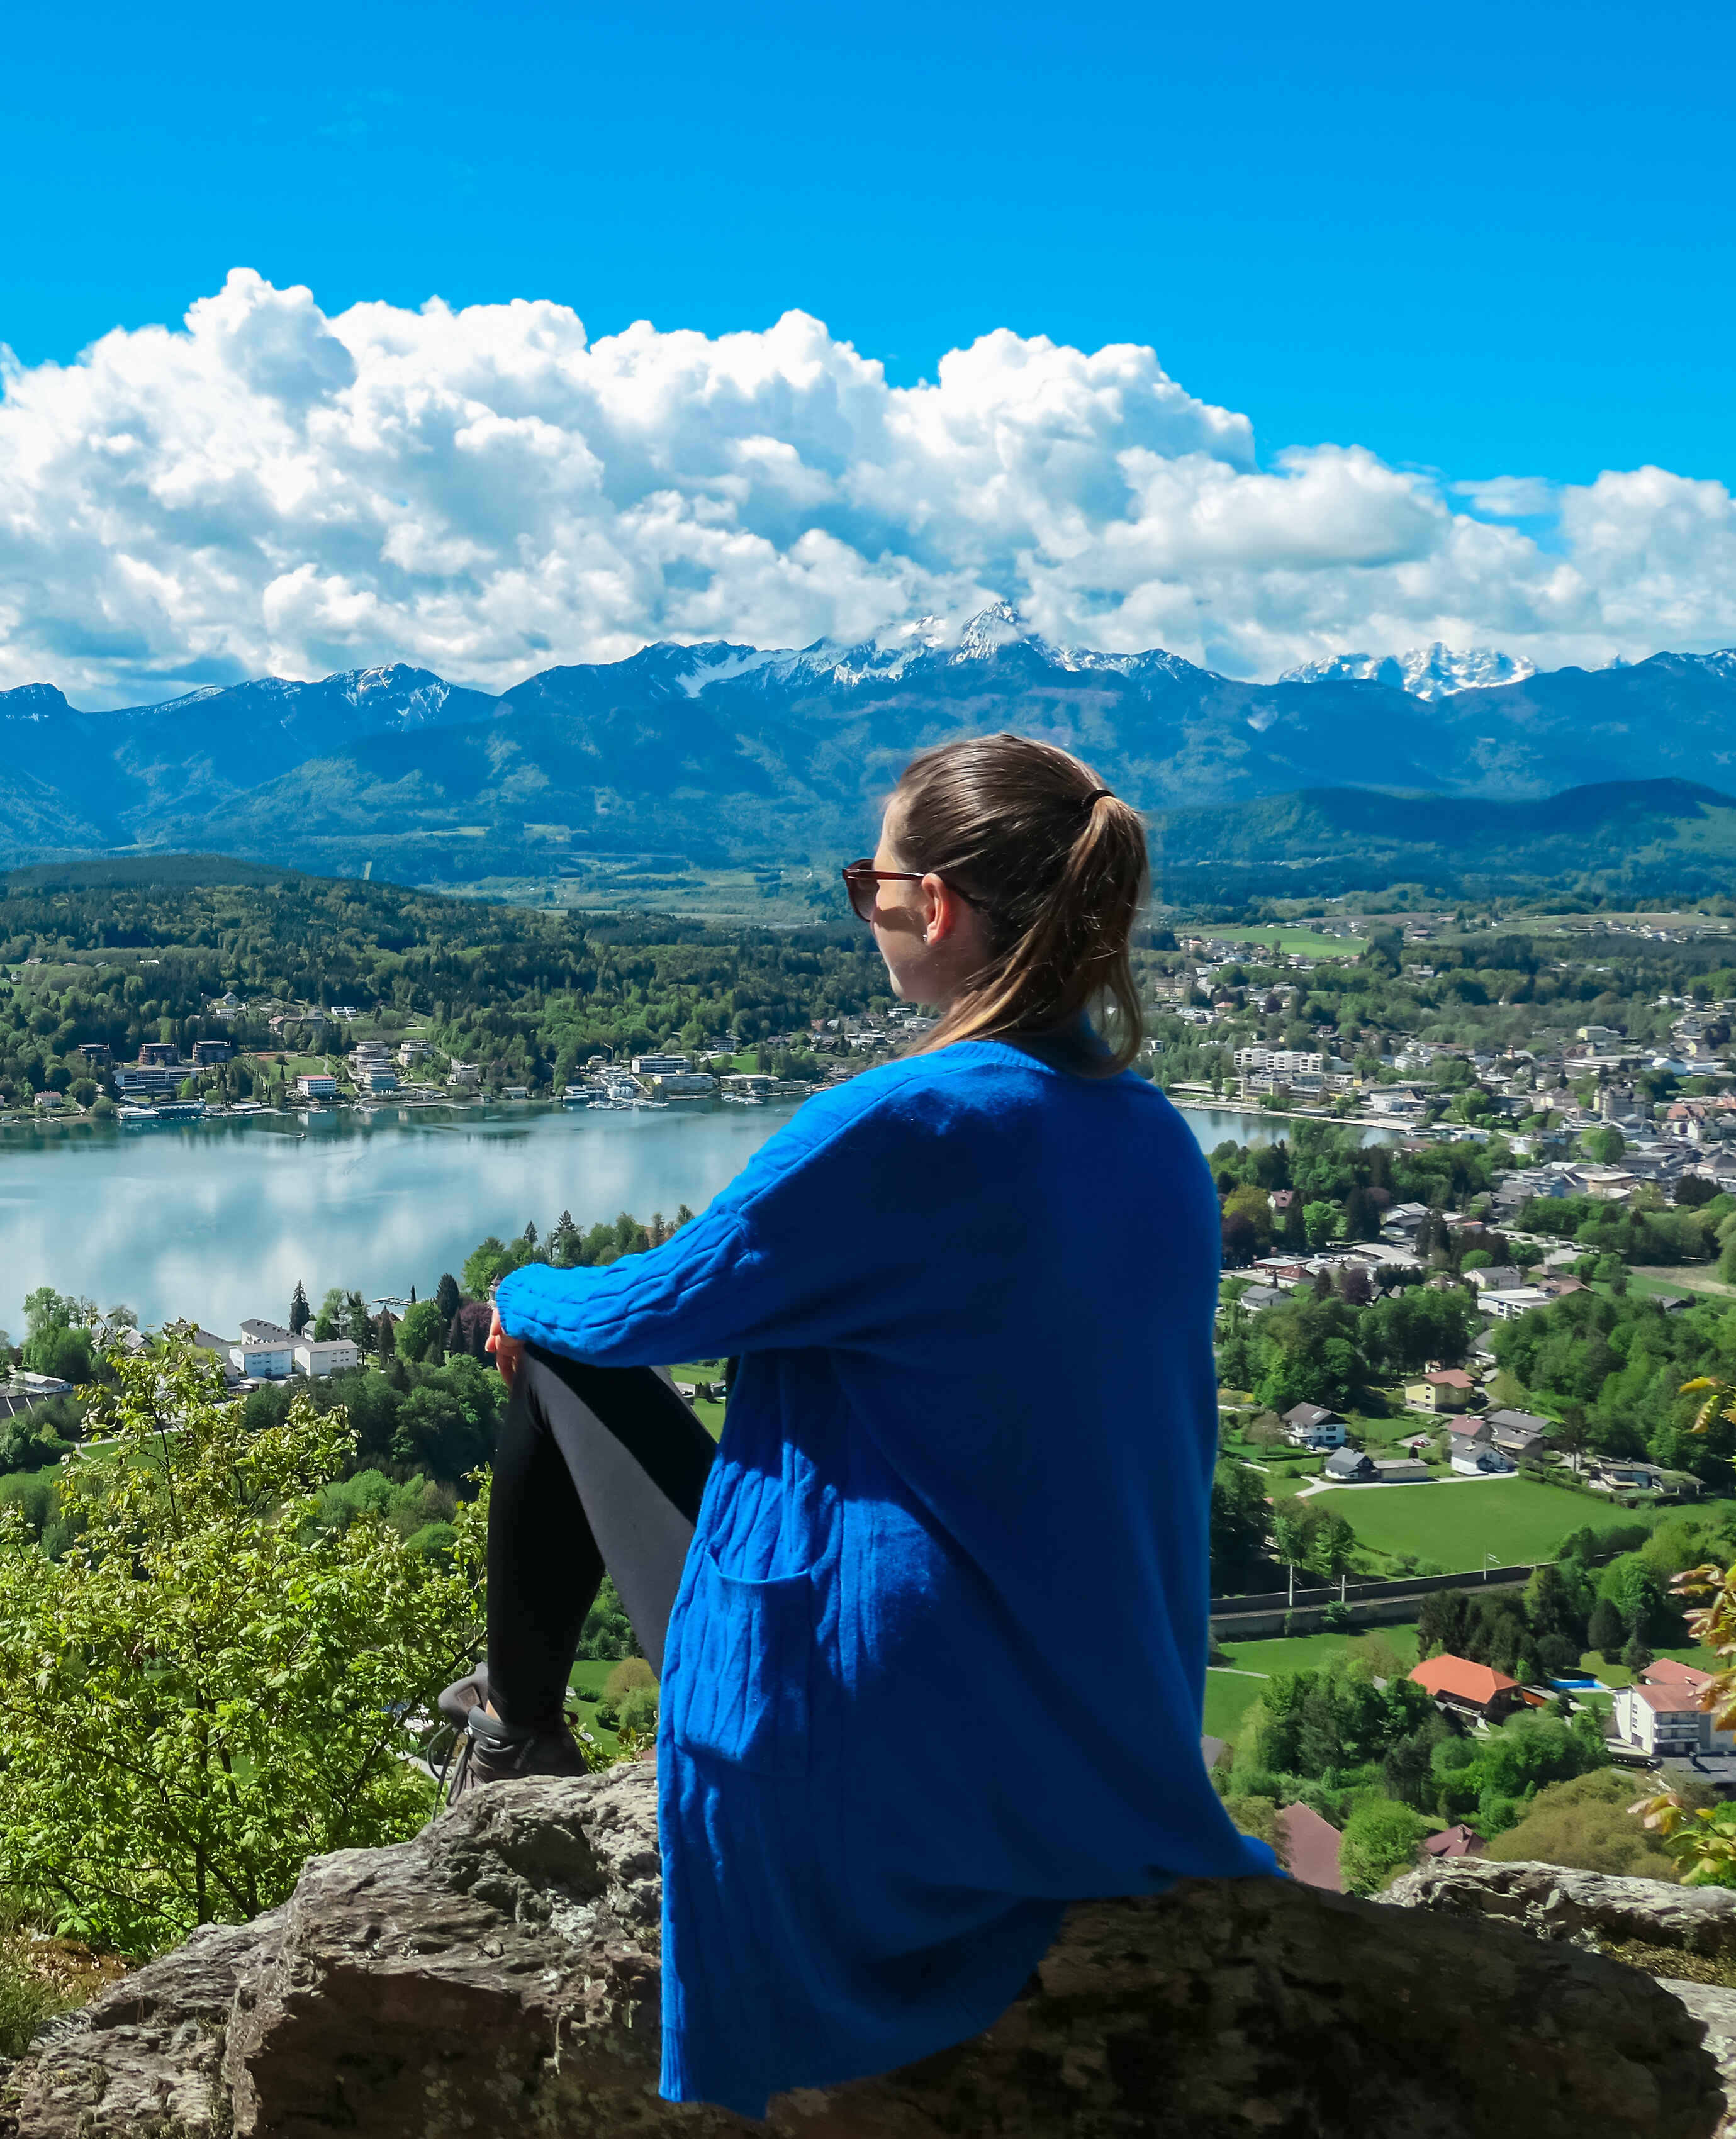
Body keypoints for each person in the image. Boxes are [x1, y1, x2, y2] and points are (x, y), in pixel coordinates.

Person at [445, 731, 1279, 2117]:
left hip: (885, 1728)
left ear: (933, 906)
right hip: (1102, 1738)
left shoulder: (906, 1123)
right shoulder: (1151, 1138)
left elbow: (651, 1308)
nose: (866, 910)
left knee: (558, 1360)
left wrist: (517, 1295)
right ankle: (513, 1728)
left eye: (869, 884)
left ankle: (515, 1732)